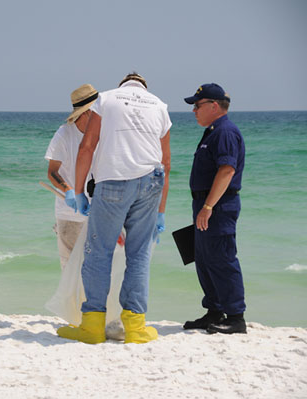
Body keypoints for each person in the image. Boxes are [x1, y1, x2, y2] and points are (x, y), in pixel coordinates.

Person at [57, 72, 171, 344]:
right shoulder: (159, 105)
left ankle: (93, 326)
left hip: (114, 181)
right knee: (139, 254)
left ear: (123, 85)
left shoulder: (106, 99)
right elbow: (166, 161)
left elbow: (87, 146)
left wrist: (79, 190)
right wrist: (161, 211)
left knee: (98, 253)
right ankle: (135, 328)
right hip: (151, 182)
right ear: (144, 87)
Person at [182, 83, 247, 334]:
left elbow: (227, 170)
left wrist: (209, 206)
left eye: (197, 106)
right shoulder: (212, 131)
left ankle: (235, 317)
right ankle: (214, 311)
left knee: (222, 259)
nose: (194, 111)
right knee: (204, 259)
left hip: (218, 206)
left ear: (214, 106)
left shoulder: (225, 132)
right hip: (205, 203)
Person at [45, 84, 98, 270]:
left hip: (98, 215)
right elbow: (52, 172)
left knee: (96, 270)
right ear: (86, 112)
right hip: (69, 216)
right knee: (70, 271)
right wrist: (69, 192)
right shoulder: (64, 134)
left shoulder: (103, 133)